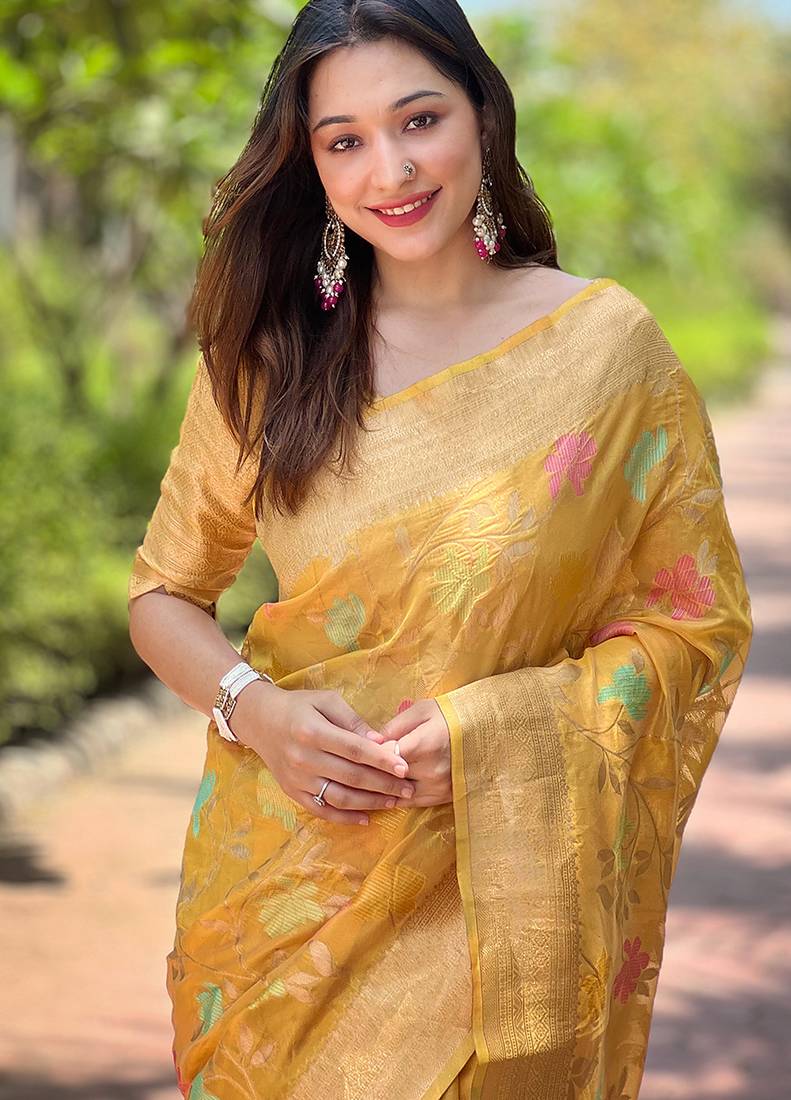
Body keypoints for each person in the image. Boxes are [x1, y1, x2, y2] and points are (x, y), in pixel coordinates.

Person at [127, 2, 753, 1097]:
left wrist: (494, 732)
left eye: (419, 120)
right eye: (345, 141)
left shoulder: (605, 353)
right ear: (311, 164)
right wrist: (255, 710)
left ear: (482, 115)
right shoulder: (267, 364)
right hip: (292, 904)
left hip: (504, 910)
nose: (391, 170)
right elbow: (162, 593)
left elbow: (694, 624)